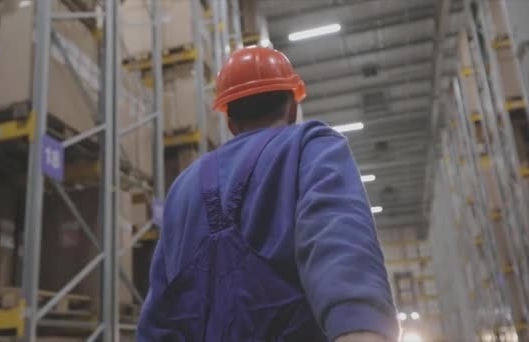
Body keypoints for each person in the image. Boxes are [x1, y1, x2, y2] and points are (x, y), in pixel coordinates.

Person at [137, 46, 399, 342]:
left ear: (229, 121)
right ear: (291, 107)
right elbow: (339, 232)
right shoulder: (309, 145)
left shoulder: (182, 187)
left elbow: (159, 306)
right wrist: (360, 324)